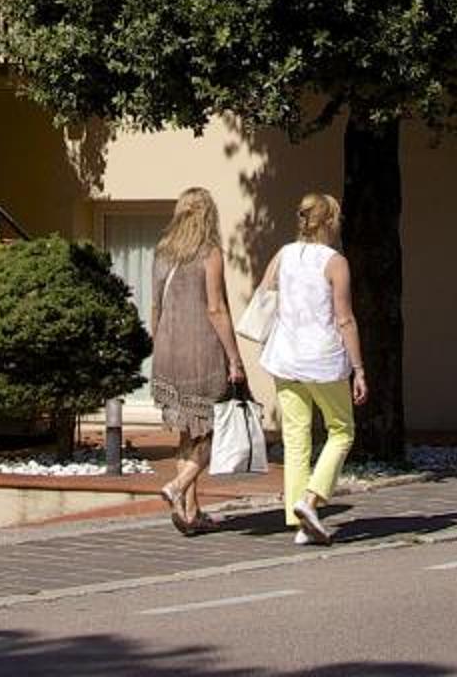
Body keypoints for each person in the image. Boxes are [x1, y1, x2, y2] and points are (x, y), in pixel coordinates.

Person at [254, 191, 367, 545]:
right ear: (330, 222)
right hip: (323, 358)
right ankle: (311, 500)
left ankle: (298, 518)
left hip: (284, 356)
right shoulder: (335, 262)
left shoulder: (284, 254)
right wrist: (359, 367)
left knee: (295, 437)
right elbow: (345, 318)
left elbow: (265, 292)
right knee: (341, 430)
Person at [147, 186, 247, 534]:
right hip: (201, 353)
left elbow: (156, 306)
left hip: (167, 351)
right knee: (215, 431)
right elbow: (216, 309)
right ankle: (176, 487)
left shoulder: (162, 252)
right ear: (209, 215)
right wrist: (234, 357)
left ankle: (190, 514)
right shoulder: (209, 252)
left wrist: (157, 342)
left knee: (188, 435)